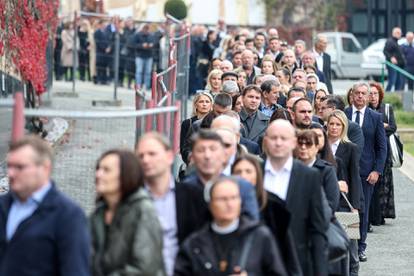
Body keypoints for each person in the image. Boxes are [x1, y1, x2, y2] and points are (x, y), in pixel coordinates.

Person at [0, 136, 90, 276]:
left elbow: (75, 270)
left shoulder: (68, 215)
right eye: (9, 166)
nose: (11, 173)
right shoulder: (3, 206)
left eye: (19, 167)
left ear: (45, 169)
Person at [174, 176, 289, 276]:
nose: (229, 204)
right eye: (222, 199)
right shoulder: (195, 244)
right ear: (210, 204)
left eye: (234, 198)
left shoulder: (259, 236)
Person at [261, 120, 327, 276]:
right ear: (265, 141)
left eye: (283, 138)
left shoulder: (309, 176)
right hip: (260, 262)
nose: (278, 143)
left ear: (293, 142)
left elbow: (317, 228)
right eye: (273, 138)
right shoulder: (255, 173)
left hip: (298, 262)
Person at [91, 149, 165, 276]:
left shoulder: (143, 210)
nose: (98, 174)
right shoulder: (98, 213)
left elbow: (145, 268)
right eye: (98, 169)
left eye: (106, 170)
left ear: (125, 175)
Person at [344, 82, 387, 262]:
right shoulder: (343, 114)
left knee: (363, 210)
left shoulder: (375, 117)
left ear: (369, 97)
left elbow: (381, 147)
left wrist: (377, 170)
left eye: (364, 93)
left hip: (366, 173)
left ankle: (360, 247)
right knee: (346, 209)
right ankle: (346, 245)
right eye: (357, 93)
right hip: (344, 171)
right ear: (352, 95)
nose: (360, 96)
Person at [181, 129, 260, 220]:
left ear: (224, 155)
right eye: (201, 150)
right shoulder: (183, 190)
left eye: (213, 149)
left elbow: (252, 225)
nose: (207, 155)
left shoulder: (242, 187)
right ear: (192, 157)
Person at [326, 110, 362, 276]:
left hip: (345, 203)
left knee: (351, 247)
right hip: (325, 201)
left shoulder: (350, 148)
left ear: (344, 127)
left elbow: (355, 178)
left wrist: (356, 206)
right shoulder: (320, 145)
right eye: (331, 123)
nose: (334, 127)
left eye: (338, 124)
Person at [368, 82, 396, 226]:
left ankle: (382, 214)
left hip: (384, 150)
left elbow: (392, 127)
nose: (373, 96)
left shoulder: (387, 108)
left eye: (375, 93)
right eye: (370, 93)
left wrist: (380, 128)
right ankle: (373, 215)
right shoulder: (366, 110)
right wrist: (381, 126)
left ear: (380, 95)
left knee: (384, 184)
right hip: (370, 150)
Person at [180, 91, 214, 164]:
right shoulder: (187, 123)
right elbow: (183, 148)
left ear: (211, 105)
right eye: (201, 102)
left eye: (207, 102)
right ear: (196, 105)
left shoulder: (216, 122)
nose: (204, 104)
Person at [383, 27, 405, 91]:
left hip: (397, 66)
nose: (401, 35)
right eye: (399, 33)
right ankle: (386, 94)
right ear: (396, 33)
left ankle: (396, 96)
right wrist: (391, 58)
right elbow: (385, 51)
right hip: (392, 65)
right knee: (392, 81)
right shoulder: (390, 41)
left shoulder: (395, 42)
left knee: (398, 82)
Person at [134, 24, 154, 90]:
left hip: (149, 56)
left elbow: (154, 43)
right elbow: (133, 44)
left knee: (148, 72)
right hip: (139, 56)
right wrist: (142, 45)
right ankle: (138, 85)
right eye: (145, 28)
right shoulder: (137, 35)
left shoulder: (151, 36)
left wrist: (150, 45)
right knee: (139, 71)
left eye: (147, 28)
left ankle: (146, 85)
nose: (146, 30)